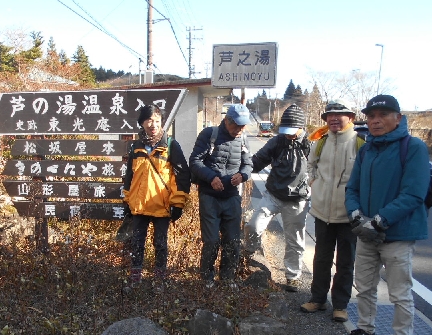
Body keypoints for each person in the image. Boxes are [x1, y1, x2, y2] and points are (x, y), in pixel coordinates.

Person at [338, 94, 430, 335]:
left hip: (398, 233)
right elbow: (352, 187)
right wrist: (355, 214)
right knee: (364, 286)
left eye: (383, 115)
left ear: (398, 118)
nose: (375, 121)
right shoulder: (367, 149)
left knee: (399, 293)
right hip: (366, 232)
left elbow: (414, 193)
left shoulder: (413, 147)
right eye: (371, 116)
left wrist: (379, 220)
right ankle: (365, 330)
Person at [300, 101, 362, 322]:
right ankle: (317, 299)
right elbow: (311, 165)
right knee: (321, 259)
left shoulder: (359, 142)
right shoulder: (321, 141)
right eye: (330, 116)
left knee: (345, 262)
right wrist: (314, 182)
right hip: (322, 211)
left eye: (339, 115)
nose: (334, 119)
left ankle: (340, 305)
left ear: (350, 118)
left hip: (348, 214)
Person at [122, 104, 190, 292]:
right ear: (142, 122)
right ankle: (135, 280)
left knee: (160, 244)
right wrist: (127, 200)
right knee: (137, 243)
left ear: (162, 122)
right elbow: (129, 176)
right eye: (149, 120)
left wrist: (178, 203)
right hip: (139, 204)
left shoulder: (170, 145)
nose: (153, 124)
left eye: (157, 120)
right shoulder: (136, 146)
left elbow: (182, 176)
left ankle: (159, 281)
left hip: (162, 205)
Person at [244, 103, 310, 292]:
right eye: (285, 130)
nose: (288, 134)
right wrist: (243, 167)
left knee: (294, 241)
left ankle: (292, 276)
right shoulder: (277, 141)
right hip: (273, 195)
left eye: (291, 131)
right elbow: (258, 161)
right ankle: (249, 254)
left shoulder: (310, 144)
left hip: (297, 200)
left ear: (301, 127)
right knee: (253, 225)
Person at [189, 104, 253, 288]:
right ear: (226, 120)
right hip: (209, 196)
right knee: (211, 241)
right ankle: (206, 278)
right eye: (236, 125)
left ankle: (227, 278)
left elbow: (248, 164)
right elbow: (195, 161)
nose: (239, 129)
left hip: (232, 197)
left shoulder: (243, 139)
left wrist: (243, 175)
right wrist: (211, 178)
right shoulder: (210, 134)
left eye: (242, 126)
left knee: (232, 240)